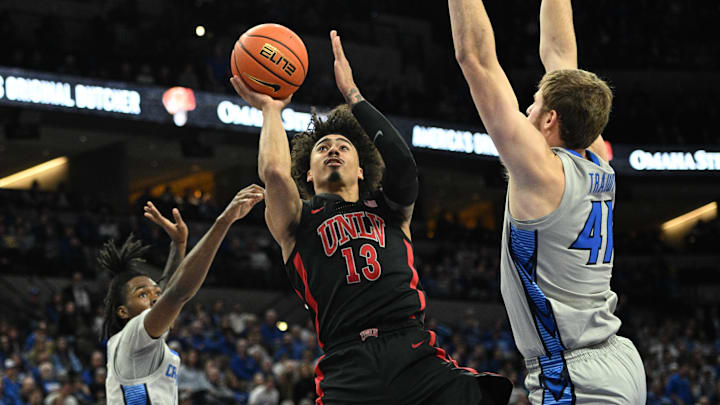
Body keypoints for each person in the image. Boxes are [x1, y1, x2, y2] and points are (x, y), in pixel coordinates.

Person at [230, 30, 511, 405]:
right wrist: (271, 110)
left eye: (343, 146)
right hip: (348, 365)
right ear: (308, 174)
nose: (333, 150)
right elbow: (276, 174)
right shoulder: (299, 219)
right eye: (322, 148)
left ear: (362, 169)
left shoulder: (391, 208)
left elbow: (404, 165)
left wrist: (354, 97)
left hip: (413, 352)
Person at [448, 0, 646, 403]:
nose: (527, 108)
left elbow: (476, 59)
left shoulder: (540, 171)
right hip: (615, 358)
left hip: (576, 374)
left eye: (535, 102)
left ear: (551, 119)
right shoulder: (597, 159)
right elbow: (559, 56)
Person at [101, 185, 264, 404]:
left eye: (155, 292)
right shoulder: (134, 335)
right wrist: (223, 221)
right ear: (123, 311)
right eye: (142, 294)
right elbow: (177, 293)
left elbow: (167, 291)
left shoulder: (142, 340)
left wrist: (178, 245)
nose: (155, 297)